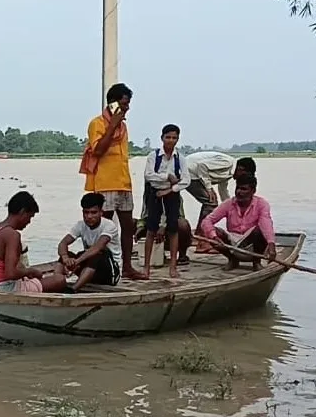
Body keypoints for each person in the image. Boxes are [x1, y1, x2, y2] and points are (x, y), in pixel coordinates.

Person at [81, 82, 145, 280]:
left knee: (127, 227)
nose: (126, 109)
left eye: (128, 105)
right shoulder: (97, 123)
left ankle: (126, 266)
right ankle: (94, 268)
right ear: (113, 104)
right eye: (124, 105)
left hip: (123, 182)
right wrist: (113, 124)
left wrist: (118, 123)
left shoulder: (124, 127)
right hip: (104, 183)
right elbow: (98, 150)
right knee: (101, 226)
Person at [0, 191, 67, 293]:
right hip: (1, 287)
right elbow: (10, 274)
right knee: (60, 280)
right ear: (23, 212)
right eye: (30, 217)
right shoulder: (12, 235)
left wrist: (26, 273)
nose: (29, 222)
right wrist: (31, 271)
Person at [199, 173, 276, 270]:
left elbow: (266, 224)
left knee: (260, 230)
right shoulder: (228, 203)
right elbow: (207, 221)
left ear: (253, 191)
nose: (239, 192)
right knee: (214, 232)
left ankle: (256, 262)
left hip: (251, 242)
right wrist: (214, 237)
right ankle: (232, 260)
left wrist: (271, 244)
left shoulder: (261, 204)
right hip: (233, 241)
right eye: (237, 188)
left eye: (244, 189)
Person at [143, 124, 190, 279]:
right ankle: (146, 267)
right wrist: (167, 177)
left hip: (172, 194)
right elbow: (149, 175)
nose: (171, 140)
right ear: (162, 138)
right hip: (155, 194)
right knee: (151, 229)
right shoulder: (153, 156)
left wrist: (170, 189)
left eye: (174, 137)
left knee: (173, 229)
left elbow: (186, 181)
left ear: (178, 139)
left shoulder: (180, 159)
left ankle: (173, 267)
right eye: (168, 137)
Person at [186, 152, 256, 252]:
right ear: (241, 169)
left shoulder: (228, 173)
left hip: (195, 174)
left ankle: (198, 237)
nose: (242, 180)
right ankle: (203, 242)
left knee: (211, 202)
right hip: (190, 172)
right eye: (244, 175)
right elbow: (202, 166)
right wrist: (209, 188)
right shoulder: (227, 163)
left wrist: (233, 207)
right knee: (211, 203)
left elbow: (223, 190)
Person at [56, 192, 121, 291]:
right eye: (86, 212)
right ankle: (56, 283)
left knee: (97, 254)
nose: (89, 216)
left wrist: (77, 261)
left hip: (109, 272)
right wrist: (66, 258)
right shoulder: (80, 225)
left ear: (101, 212)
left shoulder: (109, 226)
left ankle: (73, 289)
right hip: (90, 268)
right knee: (66, 254)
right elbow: (63, 243)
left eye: (93, 212)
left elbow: (98, 247)